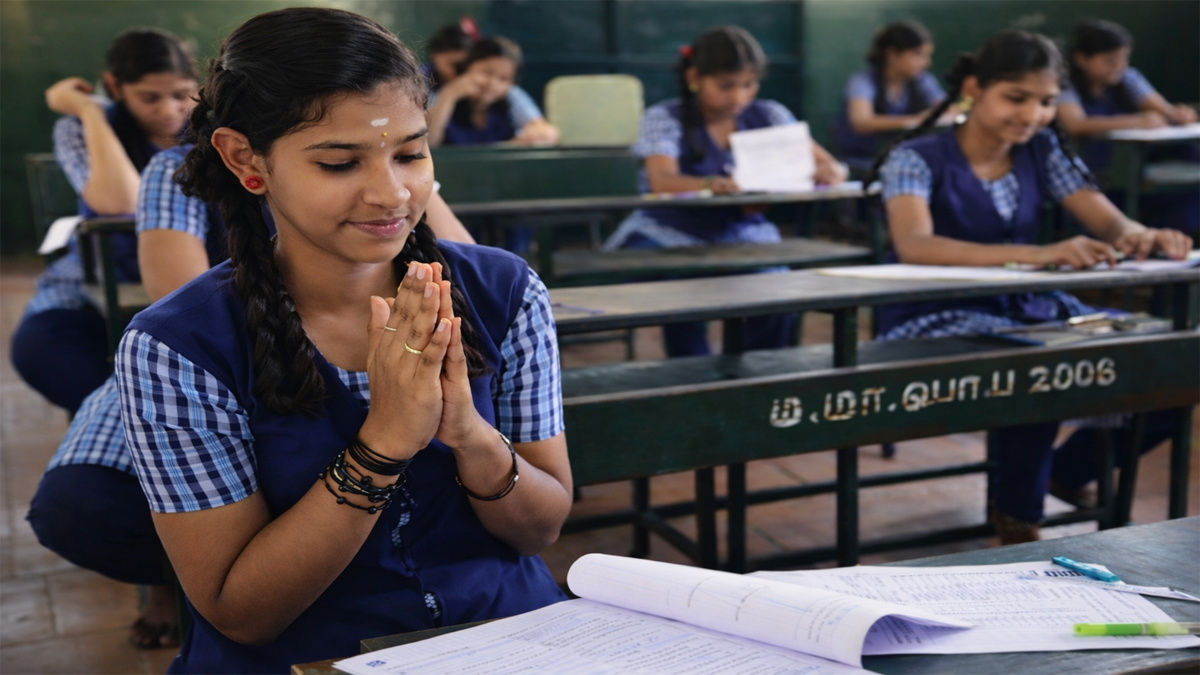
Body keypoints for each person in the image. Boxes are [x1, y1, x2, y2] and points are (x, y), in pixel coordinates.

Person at [112, 8, 571, 673]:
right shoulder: (177, 345)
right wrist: (383, 442)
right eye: (338, 162)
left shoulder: (503, 293)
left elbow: (542, 527)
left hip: (503, 635)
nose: (391, 192)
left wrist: (471, 435)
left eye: (412, 153)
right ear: (247, 160)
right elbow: (241, 609)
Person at [870, 30, 1191, 544]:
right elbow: (915, 244)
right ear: (974, 88)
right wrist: (1038, 254)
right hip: (931, 313)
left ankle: (1067, 471)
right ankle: (1019, 516)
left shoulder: (1042, 149)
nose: (1032, 114)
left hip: (1024, 307)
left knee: (1170, 362)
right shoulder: (917, 156)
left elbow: (1110, 224)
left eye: (1045, 102)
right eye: (1015, 98)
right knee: (1036, 372)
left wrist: (1143, 236)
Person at [603, 25, 847, 357]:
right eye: (725, 86)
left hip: (742, 231)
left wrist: (829, 171)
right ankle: (694, 373)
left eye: (749, 85)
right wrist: (710, 186)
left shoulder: (770, 114)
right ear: (694, 77)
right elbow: (662, 181)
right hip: (668, 230)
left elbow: (831, 166)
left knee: (778, 292)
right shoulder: (664, 117)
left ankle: (752, 372)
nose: (738, 98)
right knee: (680, 291)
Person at [10, 27, 198, 413]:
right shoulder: (83, 127)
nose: (168, 110)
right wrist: (91, 112)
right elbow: (123, 202)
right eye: (149, 98)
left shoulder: (216, 132)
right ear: (114, 85)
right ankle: (127, 428)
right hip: (100, 285)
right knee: (40, 347)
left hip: (189, 288)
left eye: (181, 95)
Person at [1057, 18, 1198, 235]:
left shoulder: (1127, 78)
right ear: (1081, 59)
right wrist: (1136, 120)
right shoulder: (1063, 82)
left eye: (1124, 59)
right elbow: (1076, 124)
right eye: (1110, 60)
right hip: (1090, 176)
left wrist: (1180, 114)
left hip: (1134, 169)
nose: (1119, 67)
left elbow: (1165, 111)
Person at [835, 20, 946, 170]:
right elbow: (861, 122)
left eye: (927, 56)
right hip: (861, 163)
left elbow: (948, 109)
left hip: (903, 160)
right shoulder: (862, 82)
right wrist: (915, 120)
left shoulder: (922, 80)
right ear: (892, 54)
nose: (925, 63)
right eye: (918, 55)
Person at [426, 36, 559, 147]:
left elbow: (546, 132)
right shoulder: (439, 95)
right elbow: (428, 142)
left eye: (503, 79)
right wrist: (449, 95)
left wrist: (530, 137)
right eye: (486, 72)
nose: (492, 84)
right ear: (467, 68)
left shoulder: (511, 96)